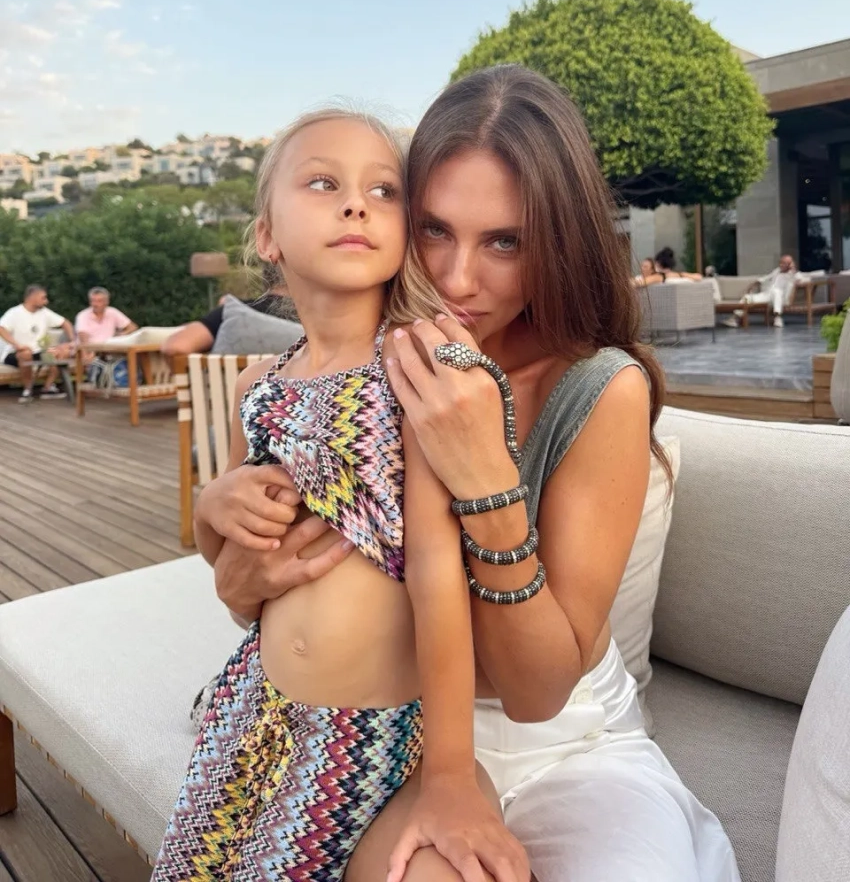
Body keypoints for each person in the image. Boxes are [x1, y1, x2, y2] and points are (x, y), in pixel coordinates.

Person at [197, 66, 742, 882]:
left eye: (504, 242)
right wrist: (229, 547)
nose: (457, 279)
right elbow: (272, 586)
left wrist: (486, 479)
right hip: (378, 728)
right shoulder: (346, 377)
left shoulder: (597, 388)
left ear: (557, 242)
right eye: (434, 229)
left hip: (558, 746)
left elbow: (535, 691)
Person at [153, 109, 527, 882]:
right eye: (324, 183)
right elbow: (236, 573)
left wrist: (450, 772)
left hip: (379, 734)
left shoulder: (420, 369)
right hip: (258, 715)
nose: (356, 203)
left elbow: (437, 576)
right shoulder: (258, 388)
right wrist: (211, 507)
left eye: (383, 190)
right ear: (267, 236)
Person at [161, 262, 298, 358]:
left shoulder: (234, 312)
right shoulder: (309, 320)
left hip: (225, 391)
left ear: (264, 277)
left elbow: (175, 347)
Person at [0, 284, 75, 403]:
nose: (46, 301)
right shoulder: (14, 313)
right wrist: (17, 345)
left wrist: (72, 341)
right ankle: (27, 390)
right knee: (26, 353)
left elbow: (65, 323)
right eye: (43, 298)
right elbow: (1, 328)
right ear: (32, 297)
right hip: (14, 353)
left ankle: (48, 387)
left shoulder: (45, 313)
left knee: (62, 353)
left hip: (38, 352)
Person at [724, 254, 800, 328]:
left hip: (781, 298)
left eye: (784, 263)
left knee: (776, 291)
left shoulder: (793, 275)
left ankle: (778, 317)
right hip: (768, 296)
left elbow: (801, 279)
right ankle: (735, 319)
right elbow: (766, 278)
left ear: (790, 264)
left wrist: (793, 270)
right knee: (747, 297)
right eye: (780, 262)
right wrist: (754, 284)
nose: (781, 265)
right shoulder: (777, 271)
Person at [635, 246, 703, 286]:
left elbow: (640, 283)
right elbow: (699, 277)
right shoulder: (677, 275)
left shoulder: (658, 276)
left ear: (658, 264)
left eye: (645, 266)